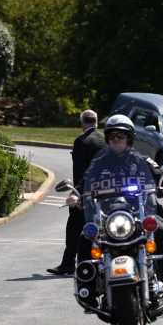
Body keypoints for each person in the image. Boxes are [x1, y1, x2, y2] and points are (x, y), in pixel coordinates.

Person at [71, 114, 163, 294]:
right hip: (107, 216)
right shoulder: (99, 162)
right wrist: (76, 195)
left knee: (159, 229)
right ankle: (87, 285)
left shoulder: (140, 159)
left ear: (129, 139)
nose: (116, 140)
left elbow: (157, 172)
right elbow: (86, 180)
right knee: (86, 235)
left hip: (139, 213)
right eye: (112, 137)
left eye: (120, 136)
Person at [47, 109, 106, 275]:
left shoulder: (82, 141)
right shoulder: (105, 140)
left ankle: (68, 264)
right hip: (106, 191)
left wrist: (76, 193)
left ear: (82, 123)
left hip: (86, 192)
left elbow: (81, 171)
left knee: (73, 228)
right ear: (96, 121)